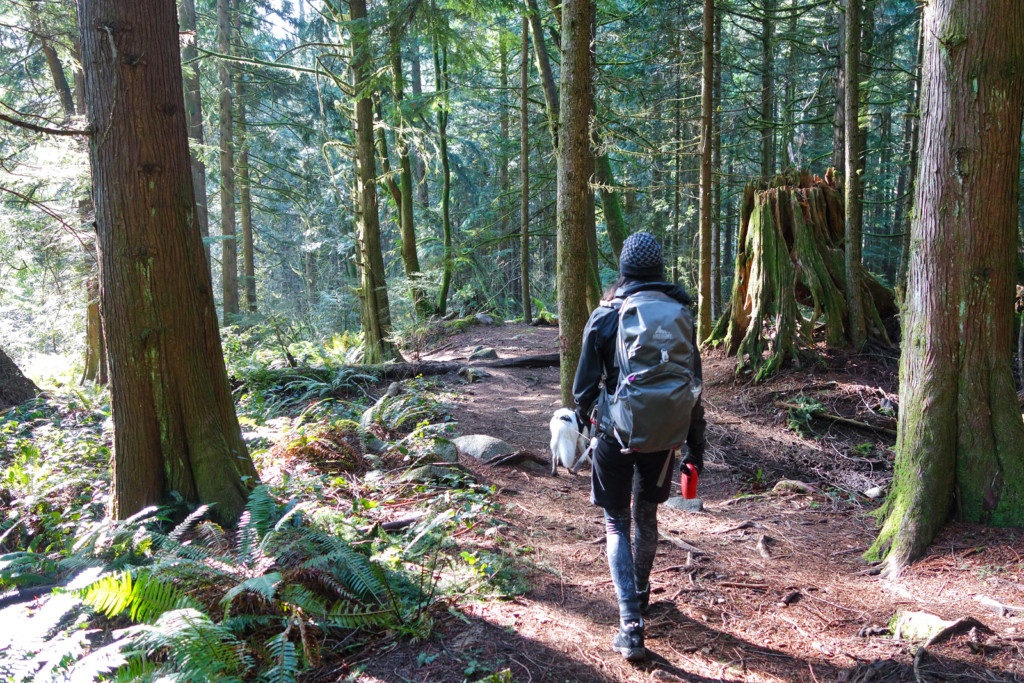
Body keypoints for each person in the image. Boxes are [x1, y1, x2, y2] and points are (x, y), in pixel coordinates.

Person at [572, 232, 706, 662]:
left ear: (624, 269)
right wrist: (694, 450)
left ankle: (630, 624)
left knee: (616, 523)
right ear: (660, 269)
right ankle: (643, 594)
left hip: (614, 435)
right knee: (645, 515)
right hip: (665, 438)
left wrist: (594, 419)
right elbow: (693, 389)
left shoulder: (605, 315)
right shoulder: (680, 313)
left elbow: (582, 390)